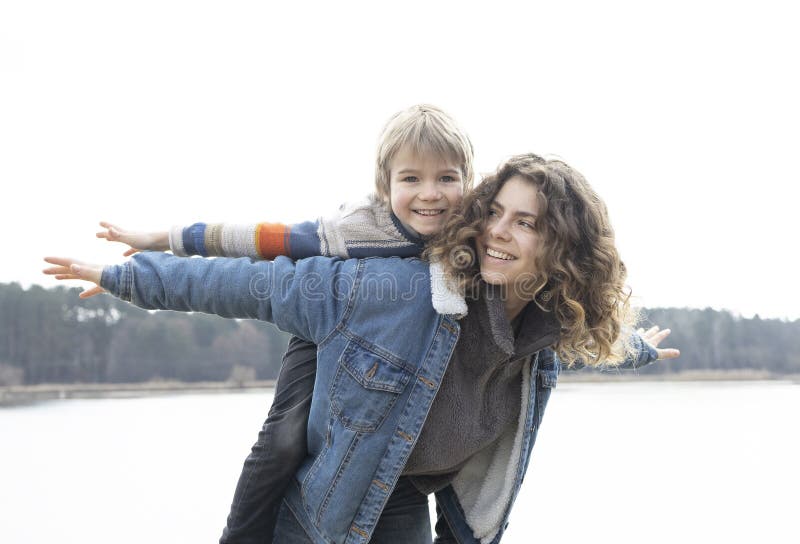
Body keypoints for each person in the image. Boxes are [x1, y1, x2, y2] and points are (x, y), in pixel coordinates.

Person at [45, 153, 678, 543]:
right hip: (329, 508)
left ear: (562, 250)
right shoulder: (392, 286)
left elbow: (595, 344)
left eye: (526, 222)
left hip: (413, 500)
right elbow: (252, 284)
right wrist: (124, 276)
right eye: (497, 211)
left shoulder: (547, 335)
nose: (496, 232)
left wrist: (640, 350)